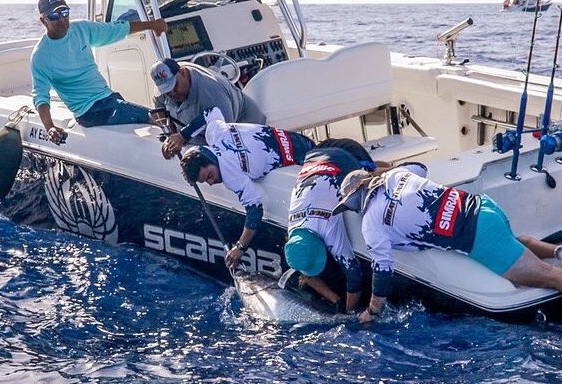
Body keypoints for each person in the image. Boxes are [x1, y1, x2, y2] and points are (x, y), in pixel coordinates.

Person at [332, 163, 562, 330]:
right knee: (515, 243)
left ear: (359, 193)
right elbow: (420, 168)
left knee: (542, 275)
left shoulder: (371, 223)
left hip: (477, 236)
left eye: (349, 204)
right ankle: (560, 250)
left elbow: (382, 274)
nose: (352, 209)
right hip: (484, 207)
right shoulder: (398, 174)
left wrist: (373, 311)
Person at [169, 106, 314, 268]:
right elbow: (211, 112)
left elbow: (255, 209)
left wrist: (240, 248)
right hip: (299, 139)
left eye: (209, 176)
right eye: (205, 182)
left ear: (209, 160)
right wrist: (183, 135)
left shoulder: (231, 175)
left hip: (305, 157)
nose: (211, 183)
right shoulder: (216, 133)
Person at [31, 0, 168, 144]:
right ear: (43, 20)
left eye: (65, 13)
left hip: (110, 98)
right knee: (156, 116)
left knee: (154, 113)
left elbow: (114, 29)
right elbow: (41, 96)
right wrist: (49, 127)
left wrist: (152, 25)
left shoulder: (80, 29)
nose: (62, 19)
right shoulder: (40, 56)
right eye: (54, 16)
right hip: (88, 112)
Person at [284, 139, 391, 313]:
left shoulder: (328, 228)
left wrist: (348, 313)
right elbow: (303, 269)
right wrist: (335, 299)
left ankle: (398, 169)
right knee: (364, 172)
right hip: (314, 155)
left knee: (375, 174)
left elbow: (354, 276)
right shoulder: (294, 233)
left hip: (348, 154)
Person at [150, 58, 266, 144]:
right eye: (166, 90)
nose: (171, 93)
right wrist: (170, 133)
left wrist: (182, 137)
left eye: (174, 86)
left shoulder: (212, 92)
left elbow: (224, 138)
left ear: (183, 72)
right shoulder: (165, 87)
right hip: (198, 131)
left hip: (245, 125)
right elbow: (158, 104)